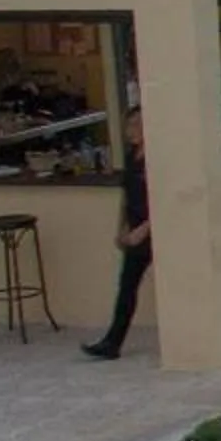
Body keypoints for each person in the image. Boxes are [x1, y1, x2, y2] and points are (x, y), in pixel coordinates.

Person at [80, 110, 151, 361]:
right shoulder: (132, 158)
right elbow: (125, 195)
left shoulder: (154, 159)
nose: (129, 130)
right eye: (128, 125)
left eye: (134, 125)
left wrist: (143, 230)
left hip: (150, 232)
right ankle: (113, 341)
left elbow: (161, 199)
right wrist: (121, 228)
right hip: (133, 230)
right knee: (127, 288)